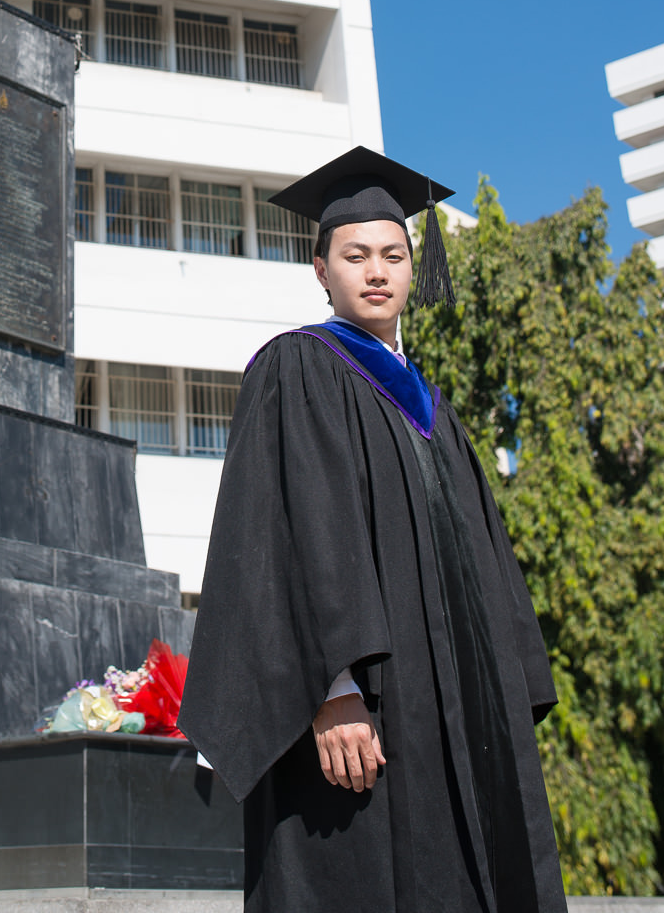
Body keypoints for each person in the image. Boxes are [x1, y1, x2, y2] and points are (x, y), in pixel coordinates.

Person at [178, 145, 566, 913]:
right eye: (354, 255)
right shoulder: (297, 368)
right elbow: (281, 538)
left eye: (393, 255)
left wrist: (499, 697)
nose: (376, 271)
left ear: (412, 271)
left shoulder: (431, 409)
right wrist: (332, 690)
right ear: (320, 270)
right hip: (361, 710)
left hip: (450, 711)